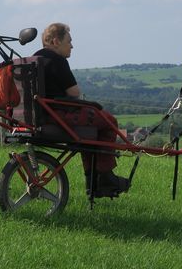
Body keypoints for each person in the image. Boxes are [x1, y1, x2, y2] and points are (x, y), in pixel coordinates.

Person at [34, 23, 130, 197]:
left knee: (91, 135)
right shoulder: (57, 60)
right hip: (58, 115)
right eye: (69, 41)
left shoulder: (35, 59)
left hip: (42, 114)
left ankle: (95, 181)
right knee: (109, 121)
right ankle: (104, 178)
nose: (72, 45)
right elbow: (74, 93)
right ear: (56, 41)